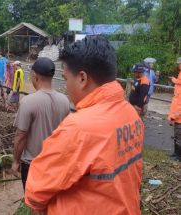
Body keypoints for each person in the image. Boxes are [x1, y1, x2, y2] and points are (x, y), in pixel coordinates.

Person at [24, 36, 144, 215]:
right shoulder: (130, 114)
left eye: (65, 79)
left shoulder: (79, 128)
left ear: (82, 78)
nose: (66, 86)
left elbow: (35, 191)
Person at [12, 57, 70, 190]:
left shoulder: (28, 102)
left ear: (34, 76)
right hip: (56, 163)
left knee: (34, 204)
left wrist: (15, 161)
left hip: (33, 164)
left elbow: (21, 136)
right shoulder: (64, 101)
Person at [168, 57, 181, 160]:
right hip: (176, 116)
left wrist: (177, 114)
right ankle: (176, 153)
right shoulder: (178, 85)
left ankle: (178, 155)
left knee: (179, 135)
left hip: (179, 116)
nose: (178, 65)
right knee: (176, 135)